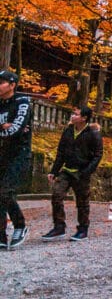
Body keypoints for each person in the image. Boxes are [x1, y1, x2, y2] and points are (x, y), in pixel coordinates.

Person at [43, 106, 103, 242]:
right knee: (56, 195)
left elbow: (98, 155)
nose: (72, 116)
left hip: (82, 172)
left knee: (82, 202)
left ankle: (82, 229)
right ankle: (59, 226)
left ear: (84, 118)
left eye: (75, 114)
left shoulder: (93, 133)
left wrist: (87, 171)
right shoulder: (68, 131)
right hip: (67, 170)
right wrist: (54, 171)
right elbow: (61, 152)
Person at [0, 70, 33, 249]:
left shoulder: (22, 101)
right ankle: (1, 236)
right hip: (2, 153)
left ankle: (20, 226)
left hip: (19, 153)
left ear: (12, 85)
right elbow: (8, 129)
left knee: (5, 192)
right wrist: (2, 126)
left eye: (1, 82)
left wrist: (8, 128)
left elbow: (17, 129)